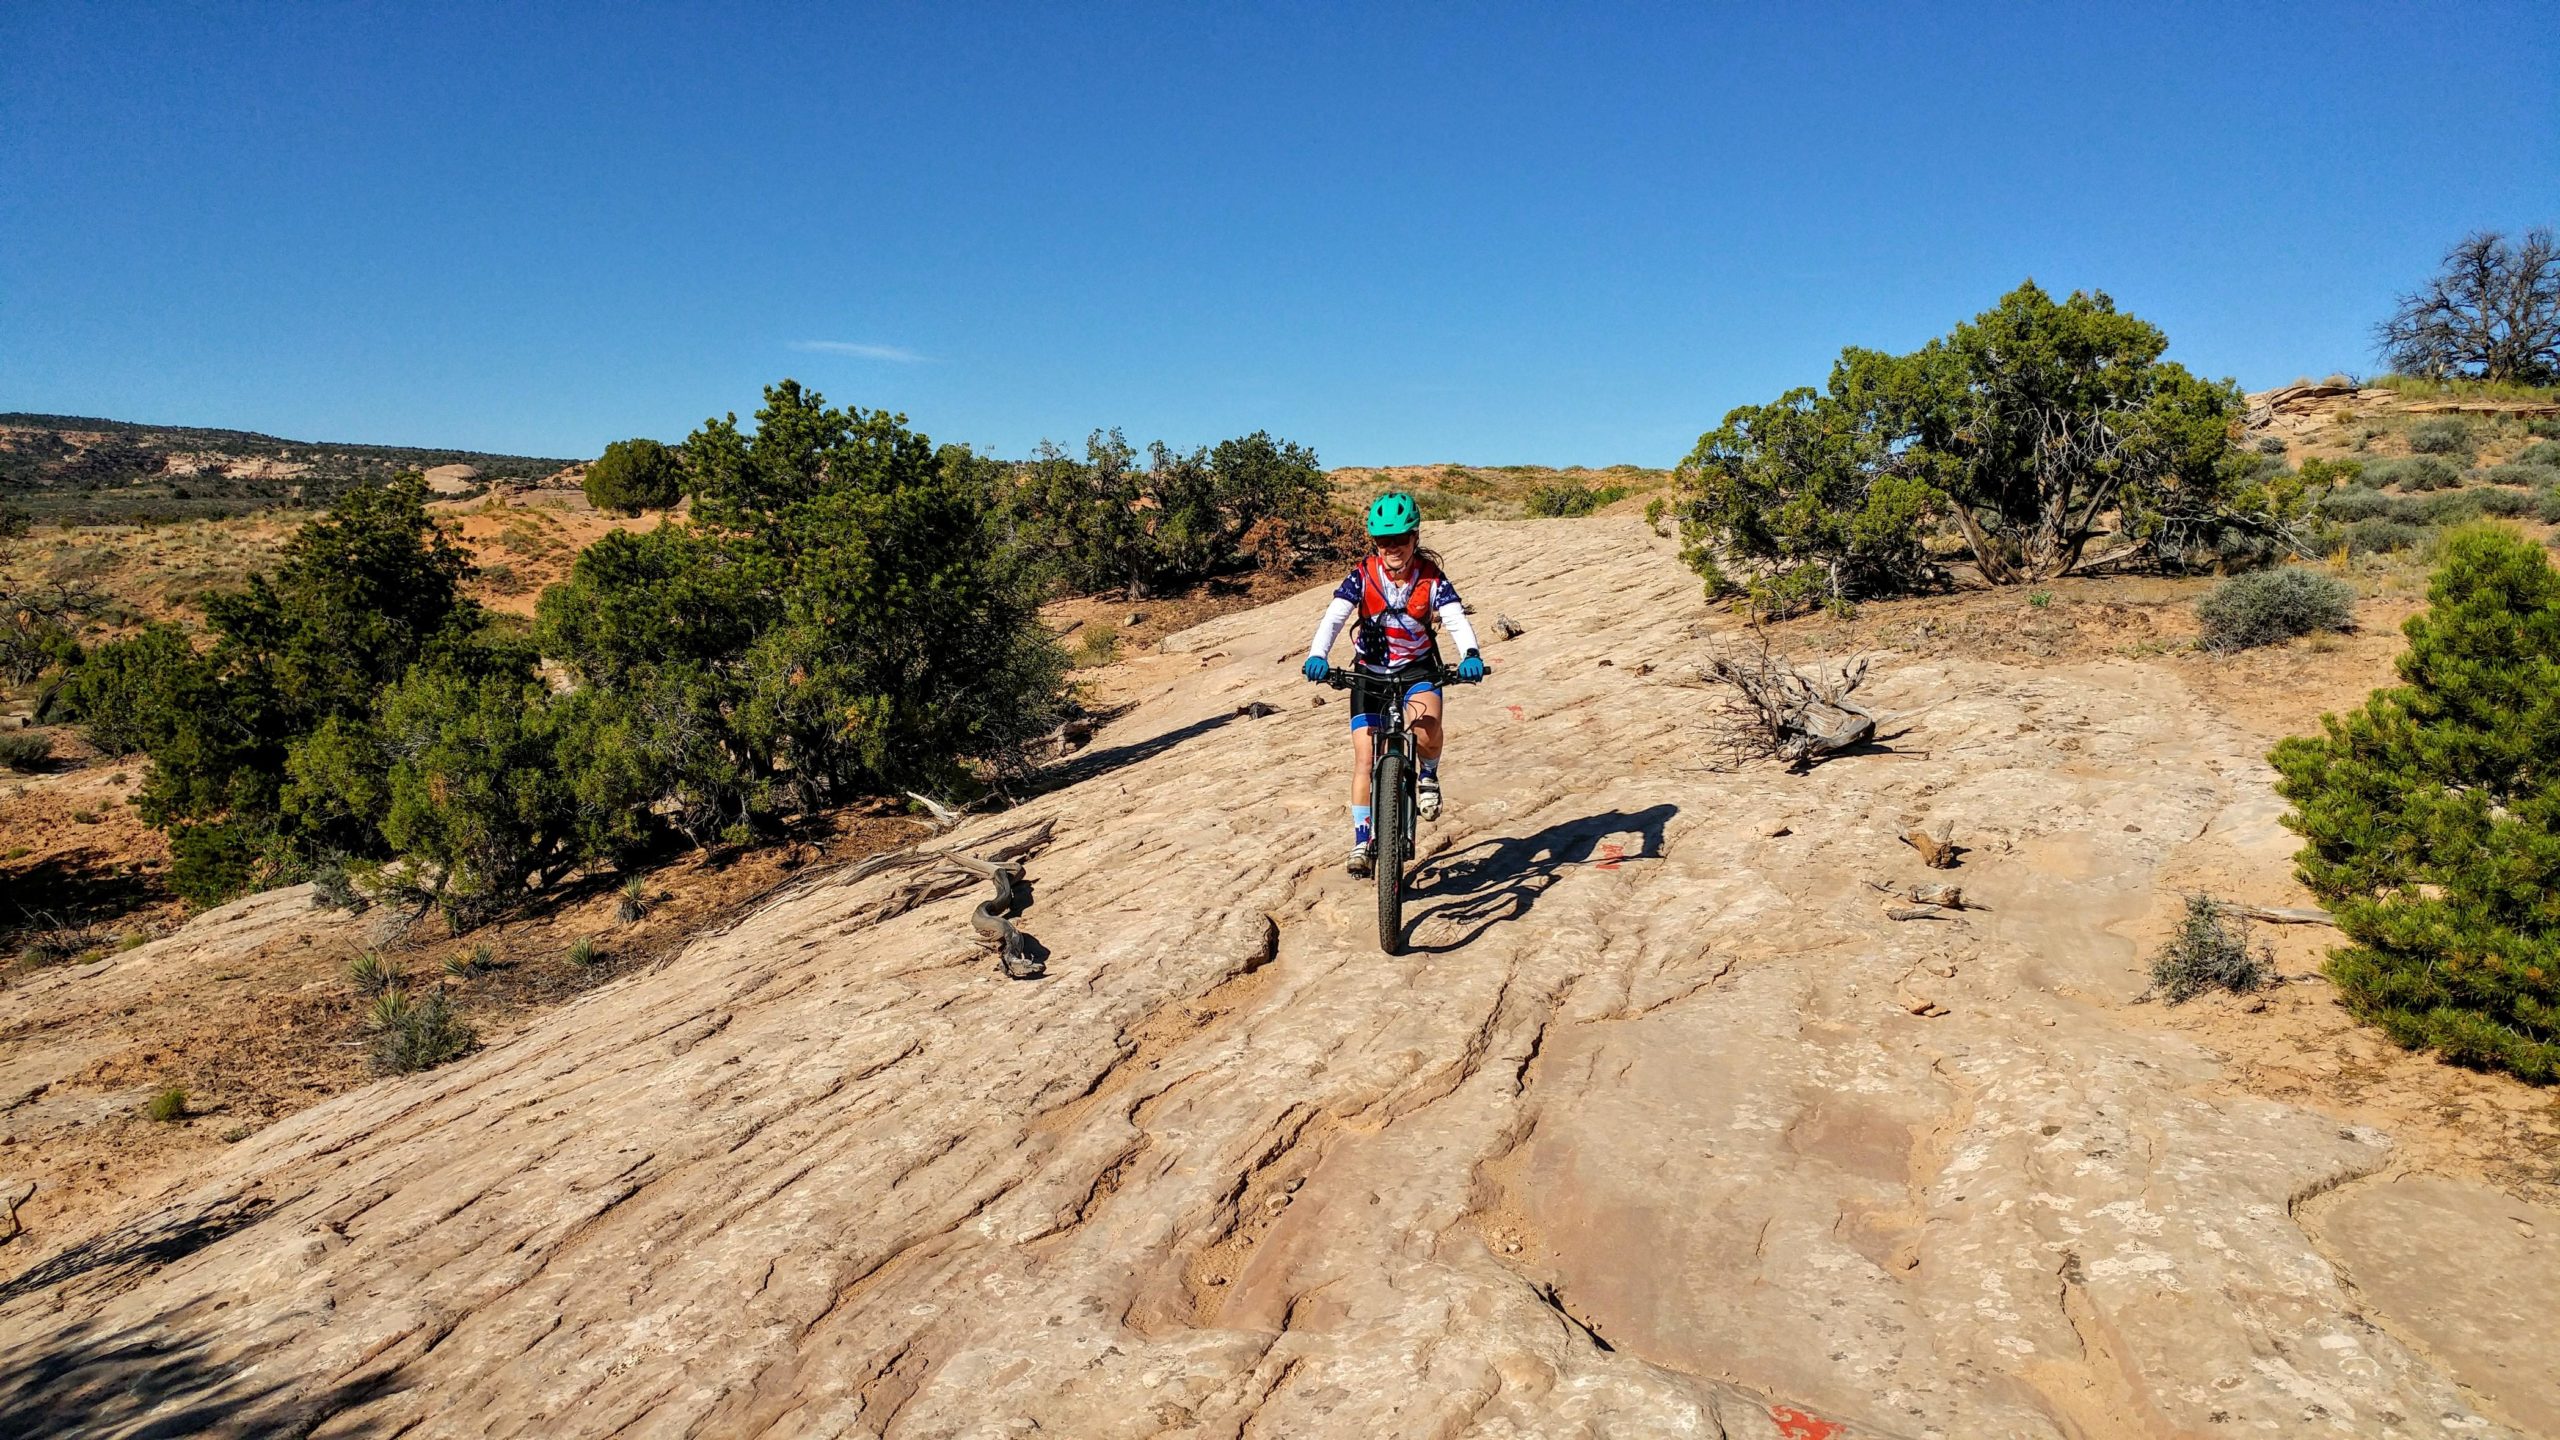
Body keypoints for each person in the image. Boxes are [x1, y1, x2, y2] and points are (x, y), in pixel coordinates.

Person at [1301, 492, 1486, 876]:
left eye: (1400, 538)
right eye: (1384, 541)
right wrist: (1318, 654)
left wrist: (1470, 654)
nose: (1392, 548)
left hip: (1417, 669)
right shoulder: (1363, 574)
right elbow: (1335, 616)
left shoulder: (1432, 579)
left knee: (1426, 731)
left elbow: (1453, 617)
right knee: (1365, 758)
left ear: (1415, 537)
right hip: (1369, 673)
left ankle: (1428, 776)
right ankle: (1361, 840)